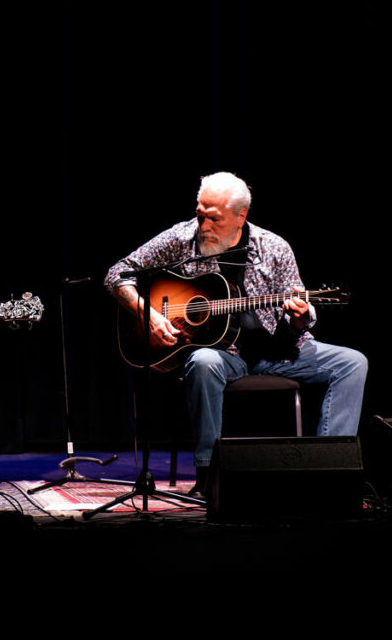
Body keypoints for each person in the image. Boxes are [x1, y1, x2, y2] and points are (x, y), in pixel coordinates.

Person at [104, 171, 367, 496]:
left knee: (353, 363)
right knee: (203, 362)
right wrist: (151, 316)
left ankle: (331, 471)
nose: (203, 226)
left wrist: (300, 318)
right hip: (223, 355)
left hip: (278, 352)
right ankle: (208, 477)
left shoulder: (273, 248)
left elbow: (300, 312)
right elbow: (117, 275)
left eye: (214, 219)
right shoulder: (181, 238)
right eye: (200, 215)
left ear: (241, 216)